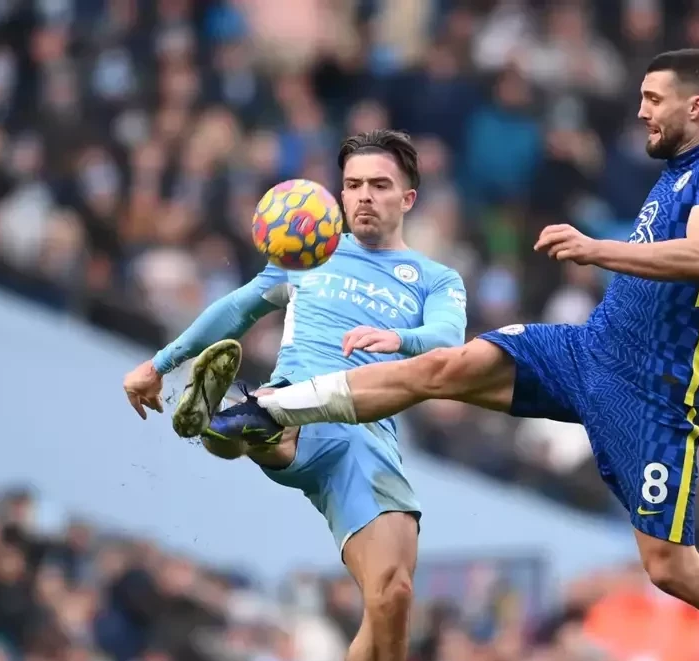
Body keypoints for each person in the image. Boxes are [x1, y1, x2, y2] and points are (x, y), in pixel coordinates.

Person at [207, 48, 699, 661]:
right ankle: (273, 408)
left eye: (653, 99)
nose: (641, 111)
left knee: (670, 567)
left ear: (697, 104)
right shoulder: (691, 167)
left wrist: (595, 249)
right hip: (587, 349)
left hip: (652, 392)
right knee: (444, 368)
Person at [121, 129, 468, 661]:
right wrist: (158, 364)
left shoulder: (435, 278)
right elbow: (237, 309)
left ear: (408, 198)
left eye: (379, 184)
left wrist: (400, 338)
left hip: (368, 441)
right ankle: (251, 425)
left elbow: (448, 340)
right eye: (353, 185)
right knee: (282, 413)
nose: (364, 196)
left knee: (392, 595)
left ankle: (233, 421)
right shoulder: (312, 254)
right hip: (301, 402)